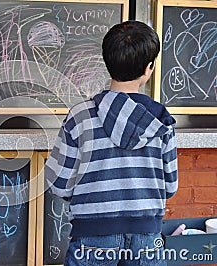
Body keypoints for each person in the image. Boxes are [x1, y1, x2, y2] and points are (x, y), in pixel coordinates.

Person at [45, 20, 178, 266]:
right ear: (149, 68)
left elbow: (59, 184)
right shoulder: (161, 121)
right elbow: (170, 187)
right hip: (147, 237)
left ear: (107, 63)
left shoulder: (80, 116)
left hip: (92, 235)